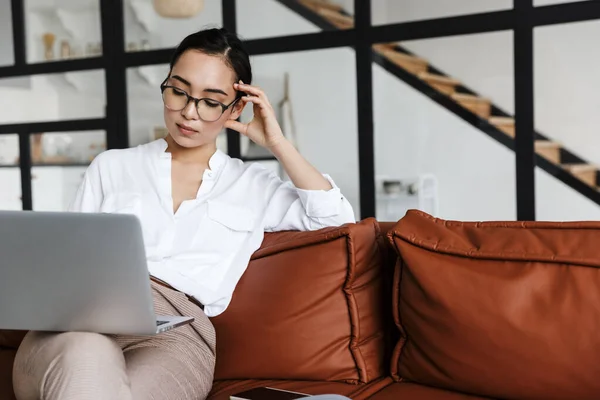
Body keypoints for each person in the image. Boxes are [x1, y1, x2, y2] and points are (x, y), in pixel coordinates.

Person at [12, 28, 355, 400]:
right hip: (81, 325)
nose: (189, 112)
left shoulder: (255, 186)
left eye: (211, 101)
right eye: (178, 91)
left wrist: (277, 143)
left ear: (237, 107)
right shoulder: (111, 166)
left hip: (178, 334)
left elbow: (335, 220)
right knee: (85, 356)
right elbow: (68, 265)